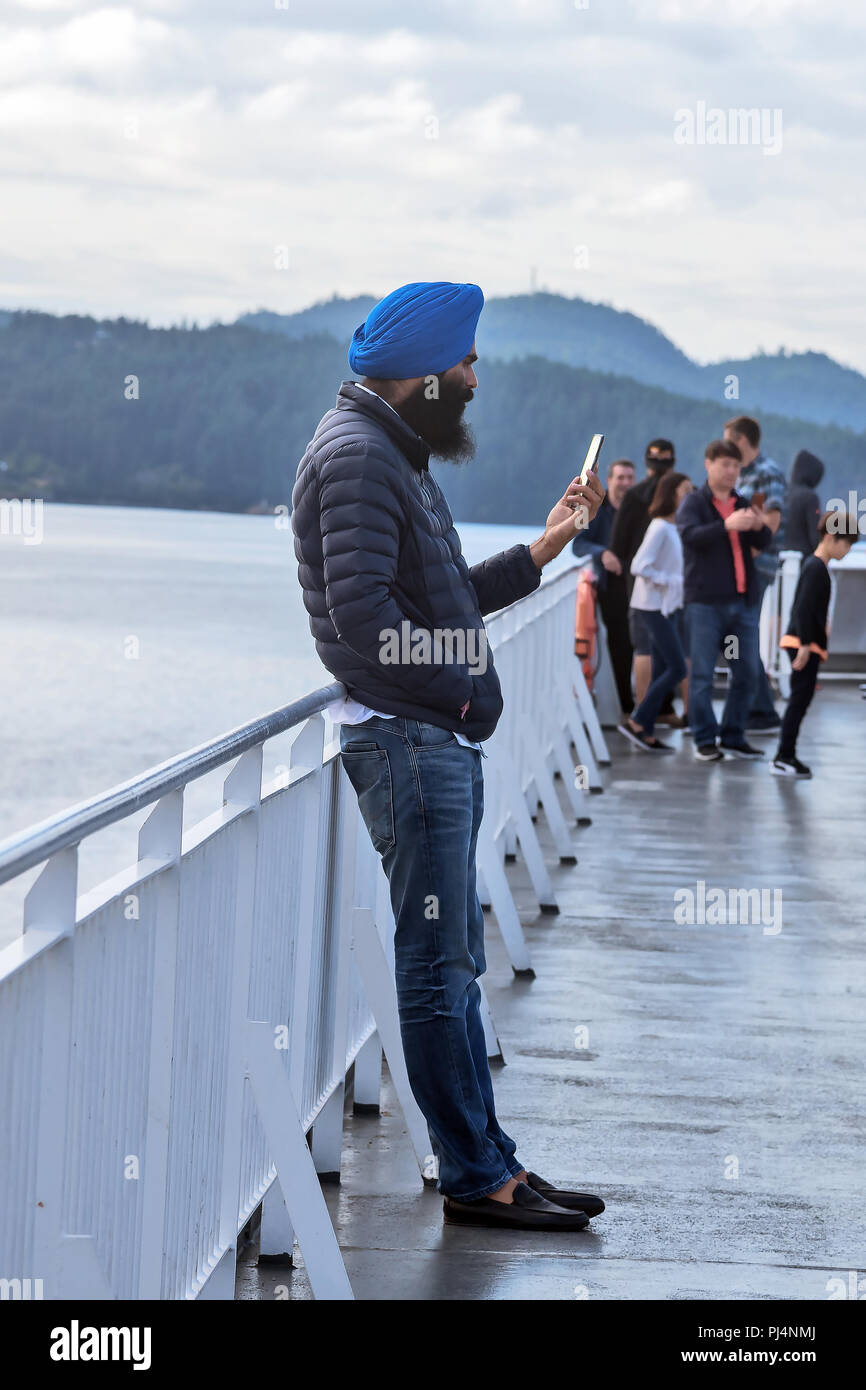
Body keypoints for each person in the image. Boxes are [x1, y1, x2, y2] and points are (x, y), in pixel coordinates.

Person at [292, 281, 606, 1232]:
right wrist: (464, 684)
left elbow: (443, 599)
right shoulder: (357, 460)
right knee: (436, 966)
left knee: (454, 962)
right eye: (466, 363)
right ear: (426, 374)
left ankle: (491, 1160)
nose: (476, 377)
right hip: (407, 739)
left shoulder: (390, 454)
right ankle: (476, 1179)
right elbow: (365, 624)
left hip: (425, 736)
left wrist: (547, 547)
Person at [676, 438, 774, 761]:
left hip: (741, 603)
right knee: (702, 674)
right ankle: (705, 739)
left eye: (736, 466)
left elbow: (762, 541)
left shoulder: (743, 501)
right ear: (709, 464)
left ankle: (733, 735)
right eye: (726, 465)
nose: (732, 471)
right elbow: (690, 537)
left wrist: (759, 525)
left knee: (747, 672)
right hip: (705, 603)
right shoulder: (693, 503)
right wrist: (725, 526)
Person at [771, 510, 859, 776]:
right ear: (832, 537)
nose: (847, 550)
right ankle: (784, 756)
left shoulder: (816, 566)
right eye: (846, 544)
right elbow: (803, 610)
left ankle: (786, 754)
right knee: (799, 699)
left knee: (802, 698)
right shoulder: (815, 567)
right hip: (802, 643)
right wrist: (806, 644)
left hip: (805, 642)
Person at [618, 471, 693, 751]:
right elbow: (638, 566)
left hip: (665, 608)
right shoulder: (660, 526)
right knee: (676, 667)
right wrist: (669, 582)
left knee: (664, 666)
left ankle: (645, 732)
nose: (689, 495)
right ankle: (637, 720)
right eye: (684, 490)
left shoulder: (675, 527)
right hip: (650, 607)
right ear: (671, 493)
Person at [609, 439, 683, 718]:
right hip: (672, 584)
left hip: (639, 583)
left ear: (646, 463)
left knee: (642, 647)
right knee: (668, 649)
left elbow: (619, 544)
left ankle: (641, 712)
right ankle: (659, 710)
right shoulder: (678, 496)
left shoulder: (635, 495)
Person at [723, 416, 786, 734]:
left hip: (754, 570)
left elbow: (770, 522)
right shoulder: (744, 474)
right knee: (737, 636)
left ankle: (761, 710)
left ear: (742, 440)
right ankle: (760, 707)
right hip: (741, 568)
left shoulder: (766, 473)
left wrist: (743, 560)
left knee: (741, 635)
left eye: (728, 440)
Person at [572, 458, 636, 713]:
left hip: (639, 585)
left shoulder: (637, 508)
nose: (625, 483)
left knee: (644, 644)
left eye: (630, 478)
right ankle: (626, 706)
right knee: (620, 644)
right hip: (611, 587)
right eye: (620, 477)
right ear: (609, 481)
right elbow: (578, 544)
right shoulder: (598, 506)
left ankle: (647, 705)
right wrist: (603, 553)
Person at [784, 449, 825, 556]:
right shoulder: (810, 497)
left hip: (778, 560)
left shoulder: (782, 491)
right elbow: (816, 538)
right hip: (803, 561)